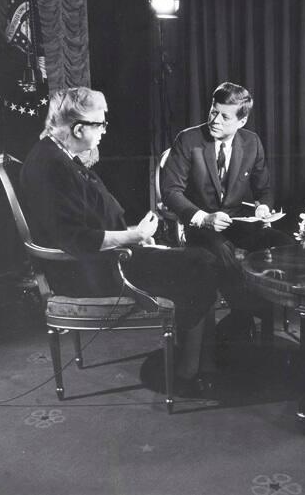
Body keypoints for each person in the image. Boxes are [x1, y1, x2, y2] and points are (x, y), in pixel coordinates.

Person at [20, 87, 220, 397]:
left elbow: (86, 221)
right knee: (202, 262)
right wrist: (135, 237)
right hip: (90, 272)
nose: (104, 130)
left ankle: (200, 361)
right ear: (78, 128)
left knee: (200, 260)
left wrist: (138, 239)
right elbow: (77, 239)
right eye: (100, 124)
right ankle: (189, 370)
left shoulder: (59, 156)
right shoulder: (51, 166)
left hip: (105, 258)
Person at [161, 81, 293, 331]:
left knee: (284, 243)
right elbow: (170, 191)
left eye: (224, 116)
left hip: (237, 223)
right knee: (223, 250)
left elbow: (264, 190)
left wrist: (262, 208)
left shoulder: (252, 142)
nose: (215, 120)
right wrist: (203, 217)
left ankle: (270, 309)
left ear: (241, 122)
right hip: (200, 227)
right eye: (213, 111)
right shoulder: (188, 140)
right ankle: (247, 313)